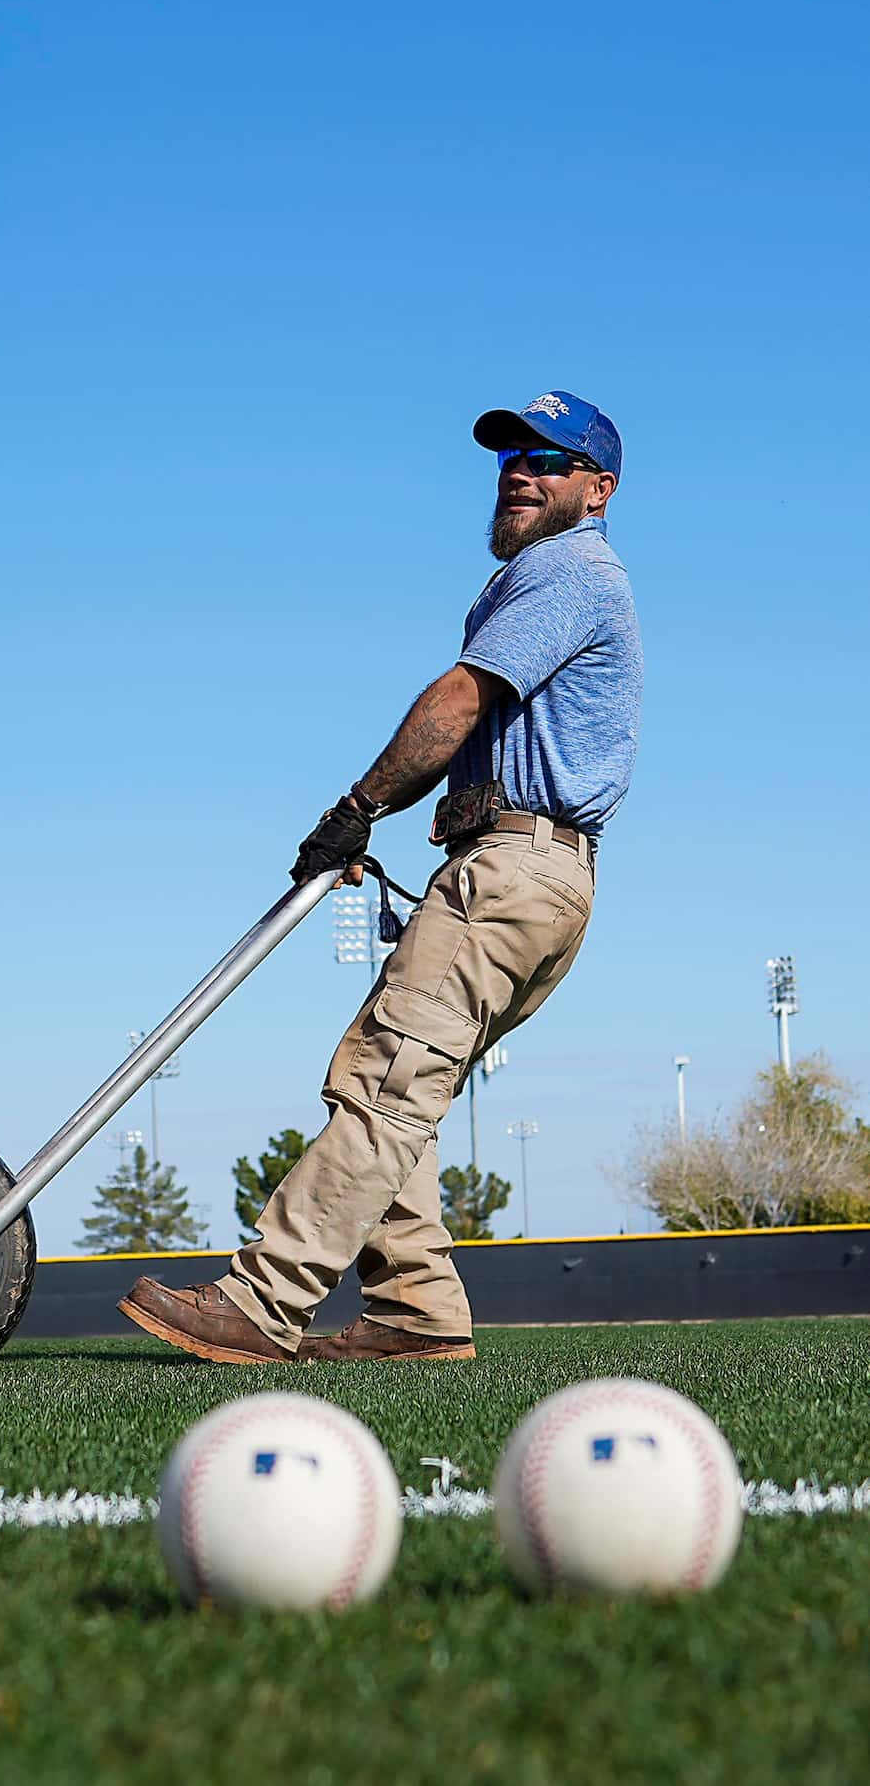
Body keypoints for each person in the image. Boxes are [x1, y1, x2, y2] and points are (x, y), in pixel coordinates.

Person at [121, 390, 643, 1364]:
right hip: (521, 868)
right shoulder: (545, 579)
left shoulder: (569, 571)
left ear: (597, 490)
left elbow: (457, 699)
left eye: (548, 459)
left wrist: (360, 805)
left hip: (516, 872)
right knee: (398, 1073)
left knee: (387, 1073)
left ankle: (265, 1299)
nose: (520, 470)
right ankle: (414, 1309)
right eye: (510, 456)